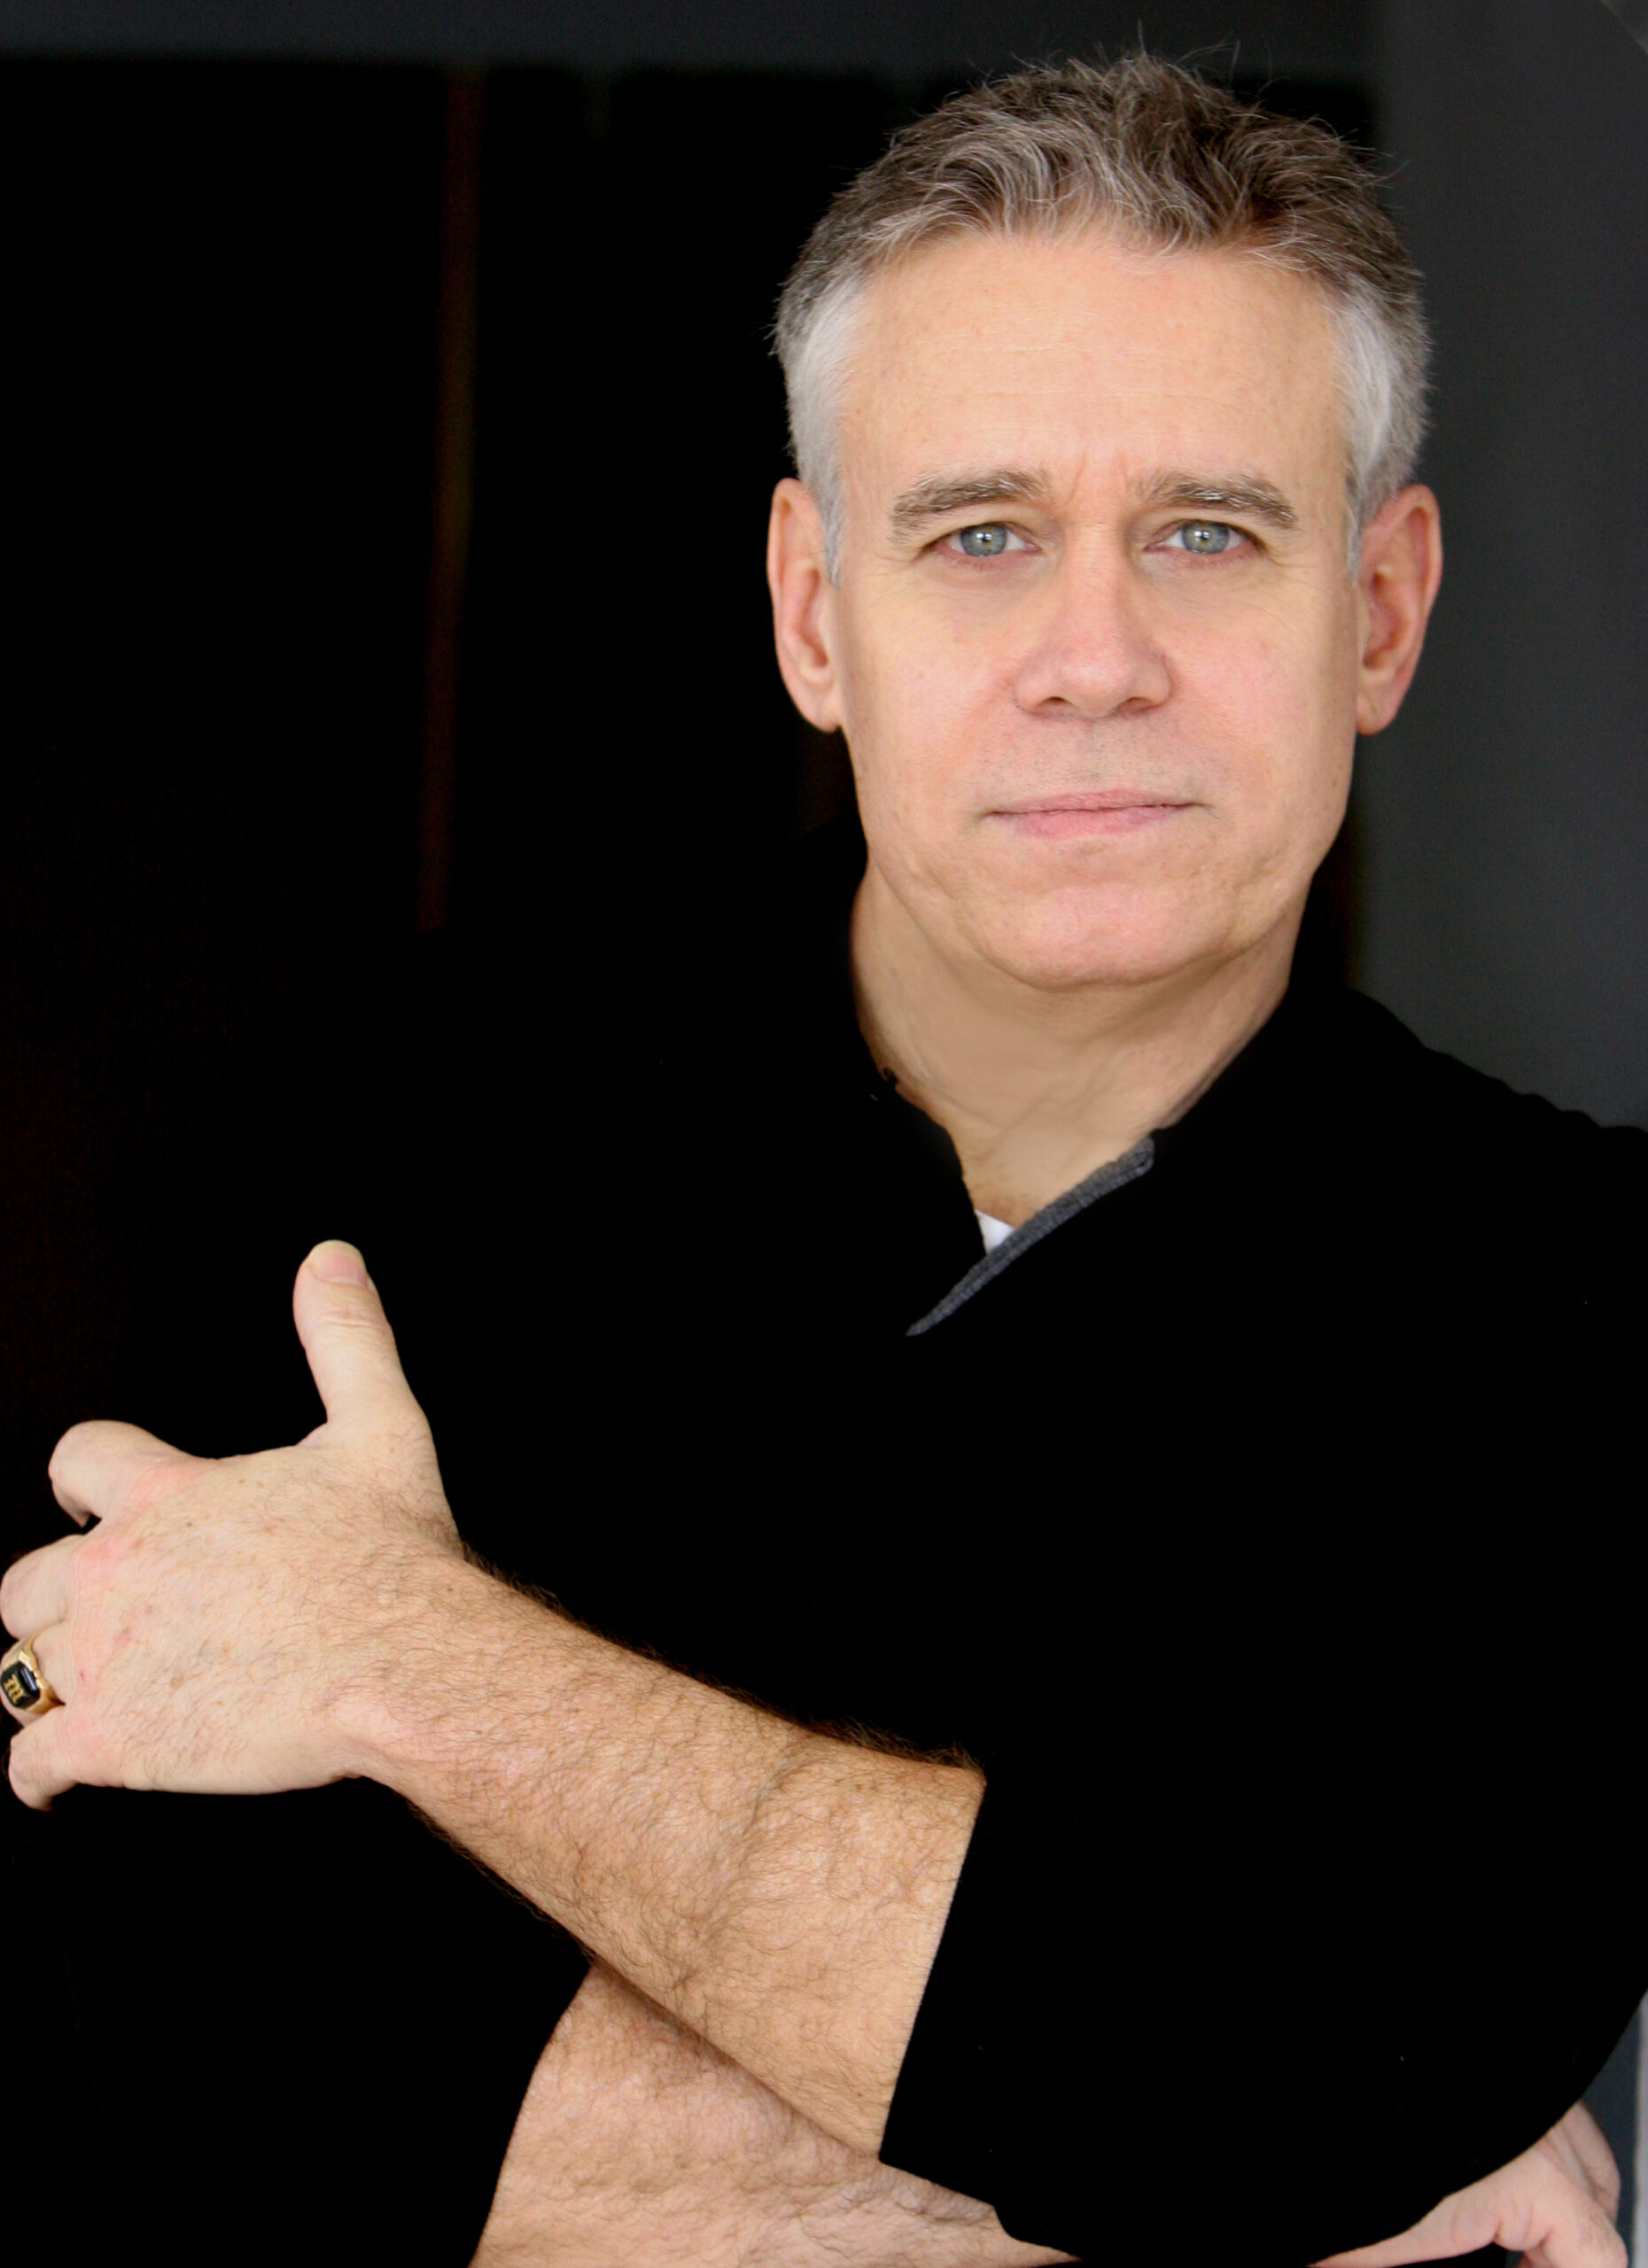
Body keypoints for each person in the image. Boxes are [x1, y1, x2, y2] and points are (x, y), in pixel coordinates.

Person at [4, 53, 1644, 2268]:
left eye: (1206, 532)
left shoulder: (1588, 1295)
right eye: (980, 535)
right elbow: (195, 2063)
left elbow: (1338, 2054)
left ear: (1377, 610)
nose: (1094, 662)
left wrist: (405, 1656)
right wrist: (1236, 2175)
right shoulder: (394, 1115)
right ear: (810, 609)